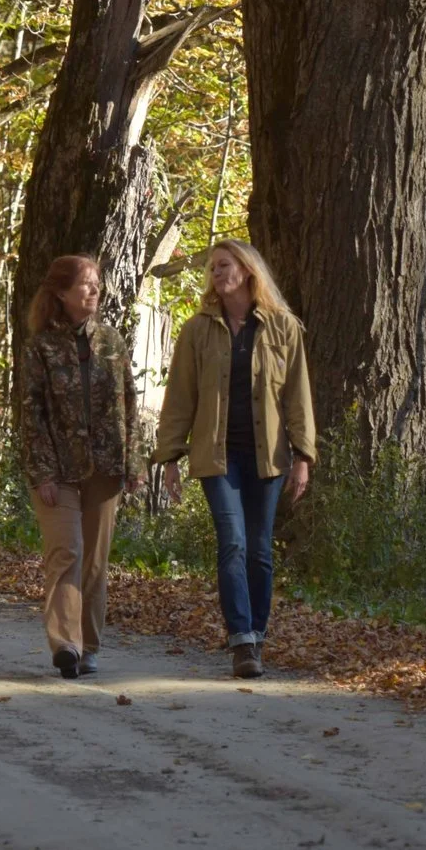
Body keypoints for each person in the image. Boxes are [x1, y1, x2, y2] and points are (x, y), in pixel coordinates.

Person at [154, 239, 316, 679]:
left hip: (269, 458)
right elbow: (180, 398)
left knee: (260, 550)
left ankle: (257, 636)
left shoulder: (283, 327)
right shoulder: (197, 330)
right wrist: (170, 457)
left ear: (247, 270)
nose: (215, 274)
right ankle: (241, 640)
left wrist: (303, 455)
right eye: (211, 269)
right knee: (233, 543)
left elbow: (298, 397)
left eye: (223, 266)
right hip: (217, 457)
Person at [17, 253, 139, 680]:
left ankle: (89, 645)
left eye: (97, 283)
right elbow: (31, 415)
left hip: (106, 468)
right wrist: (43, 472)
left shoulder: (111, 341)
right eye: (86, 284)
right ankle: (65, 643)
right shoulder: (39, 349)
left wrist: (135, 463)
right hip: (58, 469)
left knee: (94, 562)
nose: (95, 290)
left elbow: (129, 404)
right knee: (65, 552)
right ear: (62, 293)